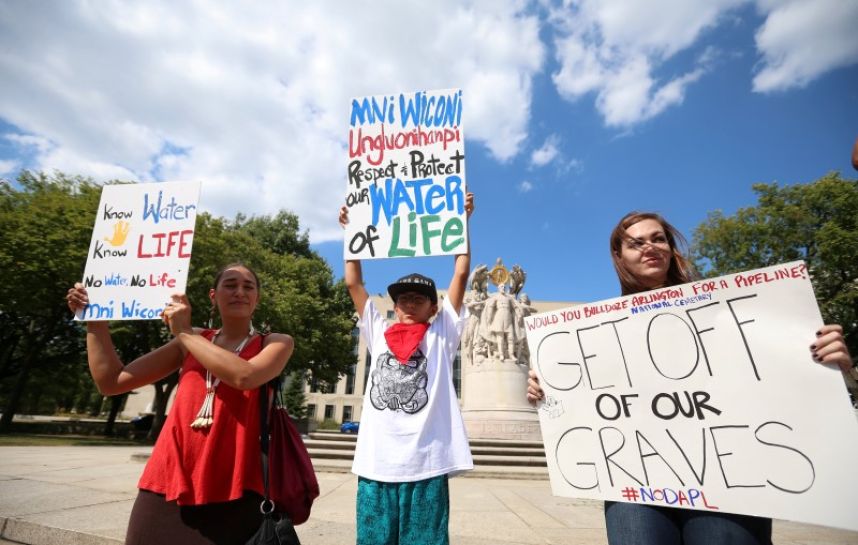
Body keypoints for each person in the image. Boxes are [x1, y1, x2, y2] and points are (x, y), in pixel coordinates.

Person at [526, 211, 854, 545]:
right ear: (618, 256)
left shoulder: (726, 310)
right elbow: (585, 409)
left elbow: (775, 381)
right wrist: (548, 392)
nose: (649, 247)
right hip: (637, 479)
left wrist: (831, 366)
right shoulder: (594, 338)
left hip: (727, 476)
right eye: (635, 243)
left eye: (658, 238)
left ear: (670, 247)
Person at [66, 263, 294, 545]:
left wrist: (184, 332)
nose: (239, 292)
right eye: (230, 285)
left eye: (249, 287)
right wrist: (95, 319)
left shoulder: (275, 342)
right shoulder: (191, 341)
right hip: (168, 480)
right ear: (213, 296)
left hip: (239, 487)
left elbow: (244, 376)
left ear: (257, 299)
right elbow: (111, 381)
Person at [339, 192, 474, 545]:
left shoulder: (442, 334)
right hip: (375, 464)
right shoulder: (379, 332)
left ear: (434, 307)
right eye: (403, 299)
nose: (410, 304)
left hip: (426, 465)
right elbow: (354, 283)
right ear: (394, 307)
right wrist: (351, 234)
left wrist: (462, 225)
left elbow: (461, 273)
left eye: (419, 299)